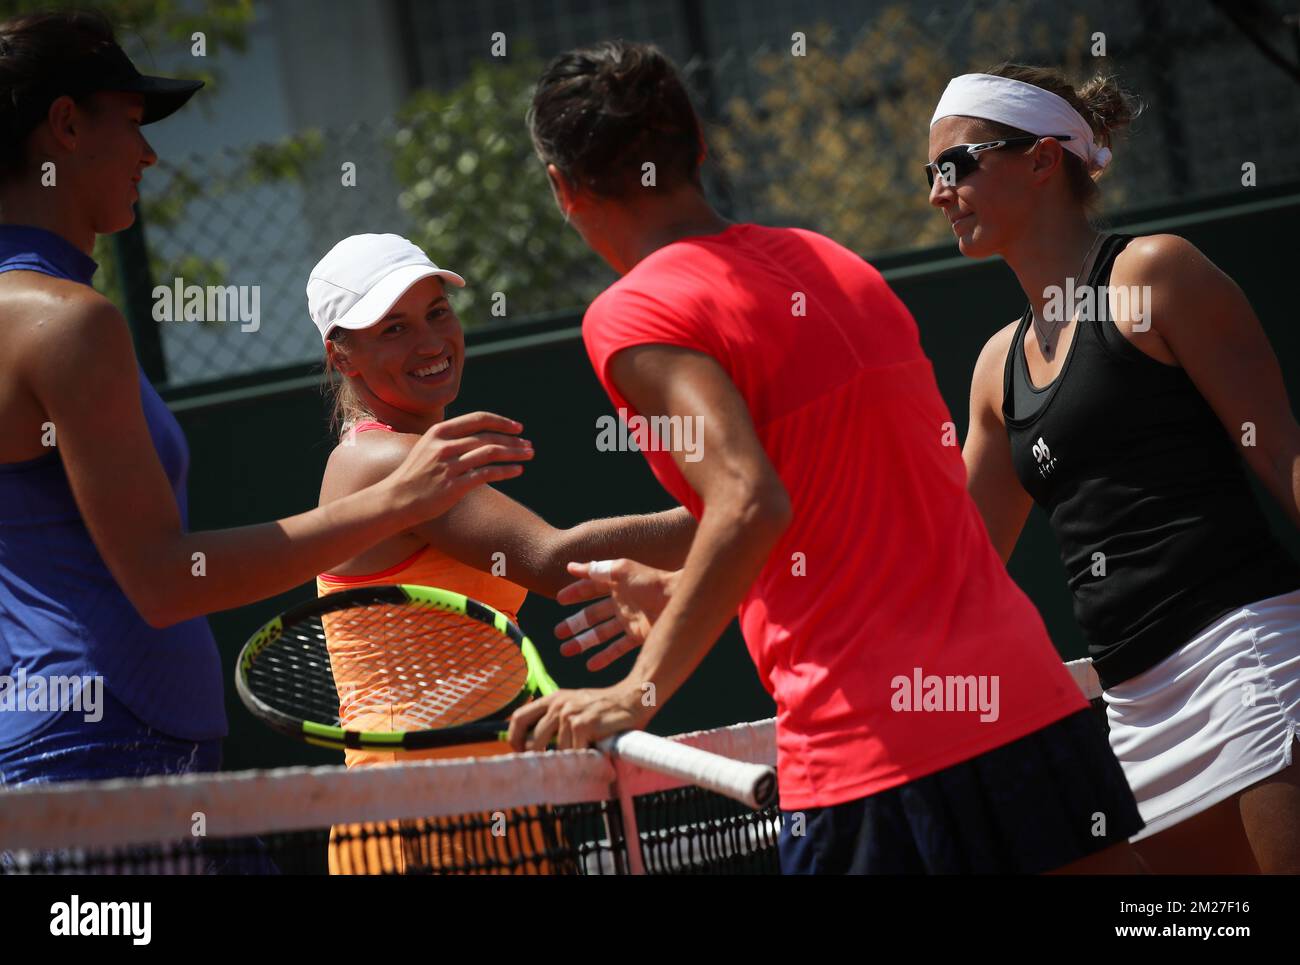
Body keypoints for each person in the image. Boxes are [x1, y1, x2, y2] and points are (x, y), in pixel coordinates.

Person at [507, 39, 1144, 874]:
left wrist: (639, 689)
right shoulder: (833, 264)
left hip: (872, 767)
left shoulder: (633, 315)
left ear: (563, 188)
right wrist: (680, 587)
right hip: (1028, 707)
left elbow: (750, 501)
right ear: (699, 146)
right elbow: (838, 498)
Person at [0, 10, 529, 790]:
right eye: (134, 124)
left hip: (82, 743)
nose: (148, 154)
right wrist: (397, 498)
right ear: (67, 126)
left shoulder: (44, 313)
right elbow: (164, 579)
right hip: (108, 749)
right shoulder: (67, 322)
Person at [927, 64, 1300, 873]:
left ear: (1040, 159)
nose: (936, 192)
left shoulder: (1156, 274)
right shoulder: (997, 368)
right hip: (1131, 709)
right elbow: (952, 565)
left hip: (1251, 661)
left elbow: (1282, 453)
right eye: (930, 175)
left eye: (954, 164)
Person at [307, 232, 697, 873]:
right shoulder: (380, 461)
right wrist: (734, 506)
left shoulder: (420, 455)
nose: (431, 342)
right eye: (394, 329)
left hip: (500, 804)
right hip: (415, 821)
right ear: (342, 358)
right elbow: (552, 560)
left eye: (437, 313)